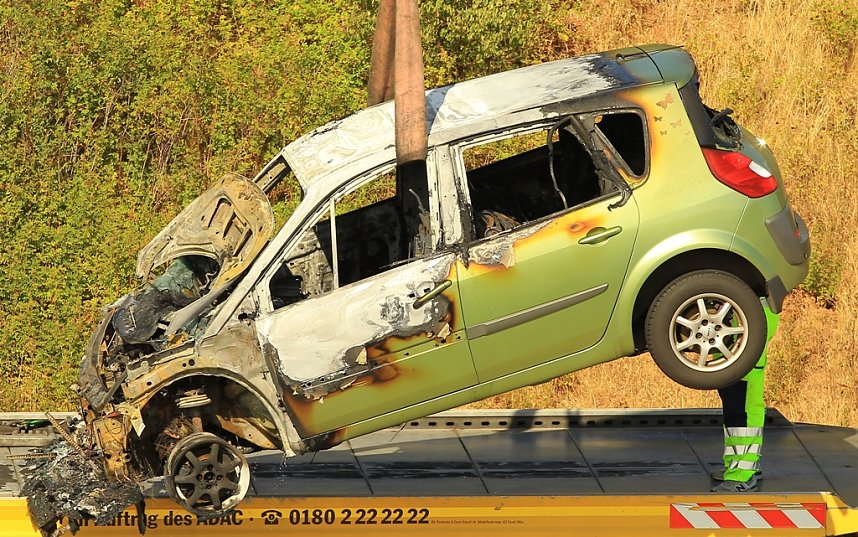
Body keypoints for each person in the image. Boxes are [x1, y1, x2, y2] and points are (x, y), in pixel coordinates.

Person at [711, 300, 780, 492]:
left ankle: (743, 474)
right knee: (733, 399)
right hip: (737, 324)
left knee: (744, 407)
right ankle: (738, 465)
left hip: (750, 324)